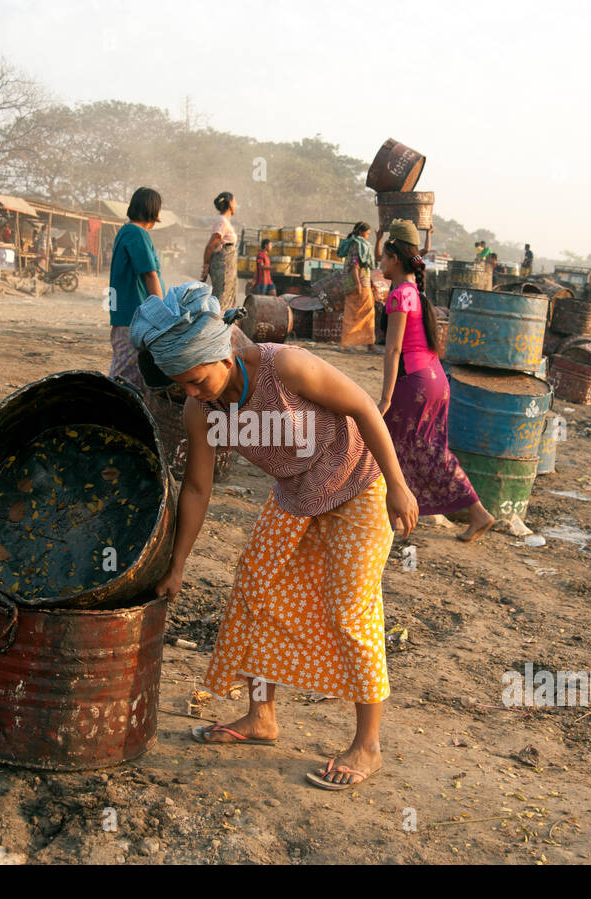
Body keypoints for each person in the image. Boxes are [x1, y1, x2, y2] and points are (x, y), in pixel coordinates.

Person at [133, 284, 419, 791]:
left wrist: (397, 485)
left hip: (357, 484)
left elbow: (363, 408)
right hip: (296, 495)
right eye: (184, 388)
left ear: (222, 354)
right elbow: (198, 488)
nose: (195, 394)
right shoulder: (202, 412)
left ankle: (368, 745)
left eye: (198, 381)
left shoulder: (284, 367)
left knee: (351, 611)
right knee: (254, 590)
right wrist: (176, 565)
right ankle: (260, 717)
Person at [377, 220, 495, 542]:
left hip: (414, 384)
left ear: (396, 259)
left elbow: (393, 350)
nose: (381, 263)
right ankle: (471, 513)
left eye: (385, 258)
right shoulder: (417, 292)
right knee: (423, 449)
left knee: (394, 446)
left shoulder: (400, 295)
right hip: (436, 380)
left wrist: (385, 398)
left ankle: (398, 519)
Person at [108, 186, 164, 395]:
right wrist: (162, 312)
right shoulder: (137, 234)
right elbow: (150, 274)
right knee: (125, 374)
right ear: (153, 210)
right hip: (135, 315)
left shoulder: (126, 232)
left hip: (126, 314)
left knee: (127, 369)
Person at [335, 221, 376, 346]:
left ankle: (347, 343)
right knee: (368, 313)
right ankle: (369, 344)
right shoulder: (358, 244)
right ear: (360, 232)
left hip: (353, 284)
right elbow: (355, 266)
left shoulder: (353, 243)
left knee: (351, 314)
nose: (368, 236)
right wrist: (358, 284)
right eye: (367, 233)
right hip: (361, 284)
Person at [201, 191, 239, 310]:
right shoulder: (221, 221)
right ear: (231, 204)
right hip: (222, 266)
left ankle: (225, 322)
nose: (236, 205)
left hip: (227, 266)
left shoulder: (224, 221)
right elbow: (210, 246)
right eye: (235, 202)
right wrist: (206, 266)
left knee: (226, 296)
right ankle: (217, 323)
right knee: (221, 296)